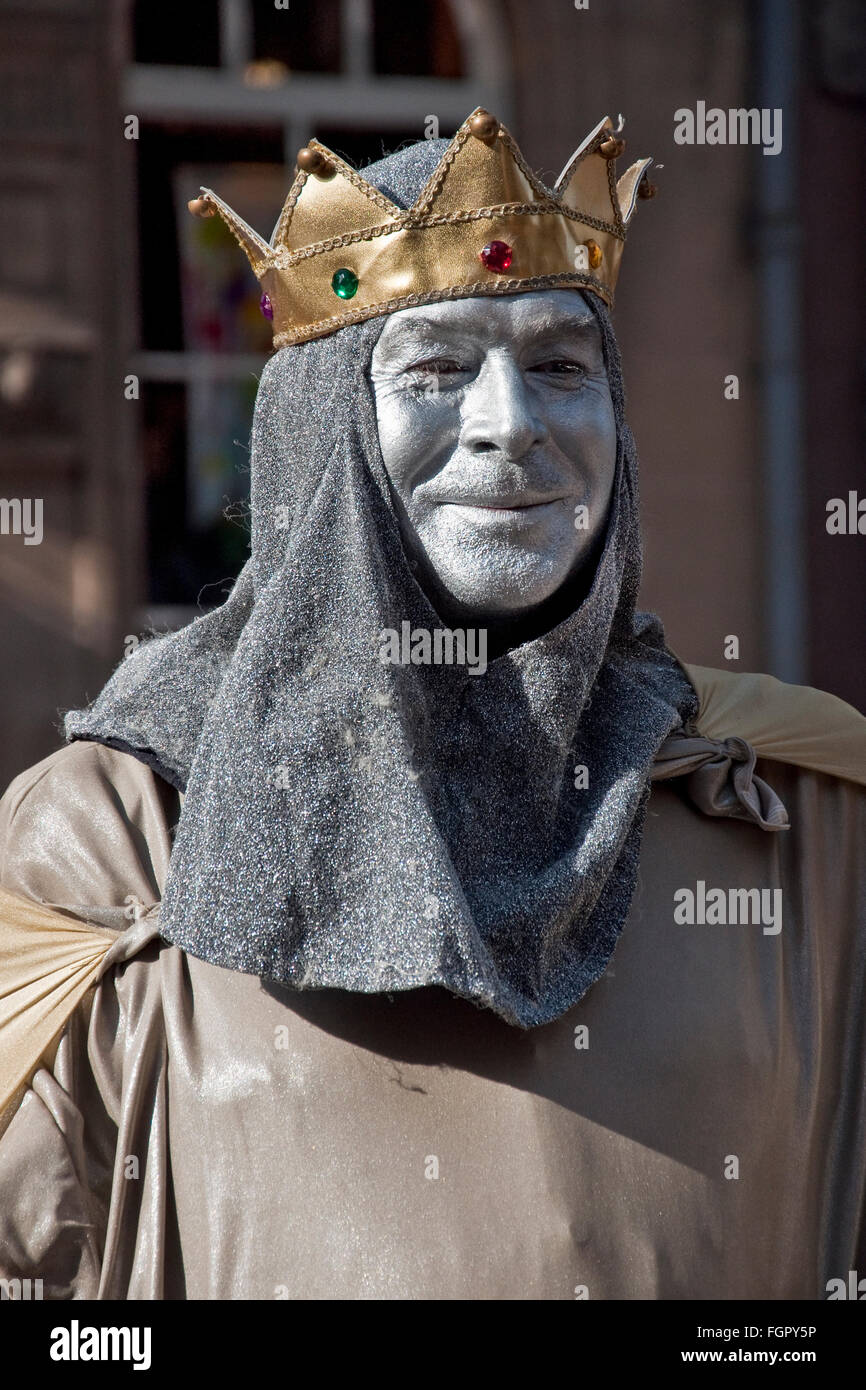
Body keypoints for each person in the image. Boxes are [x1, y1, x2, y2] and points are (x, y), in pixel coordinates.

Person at [1, 110, 864, 1301]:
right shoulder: (101, 843)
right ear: (324, 433)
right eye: (437, 368)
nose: (511, 422)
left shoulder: (801, 813)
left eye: (561, 366)